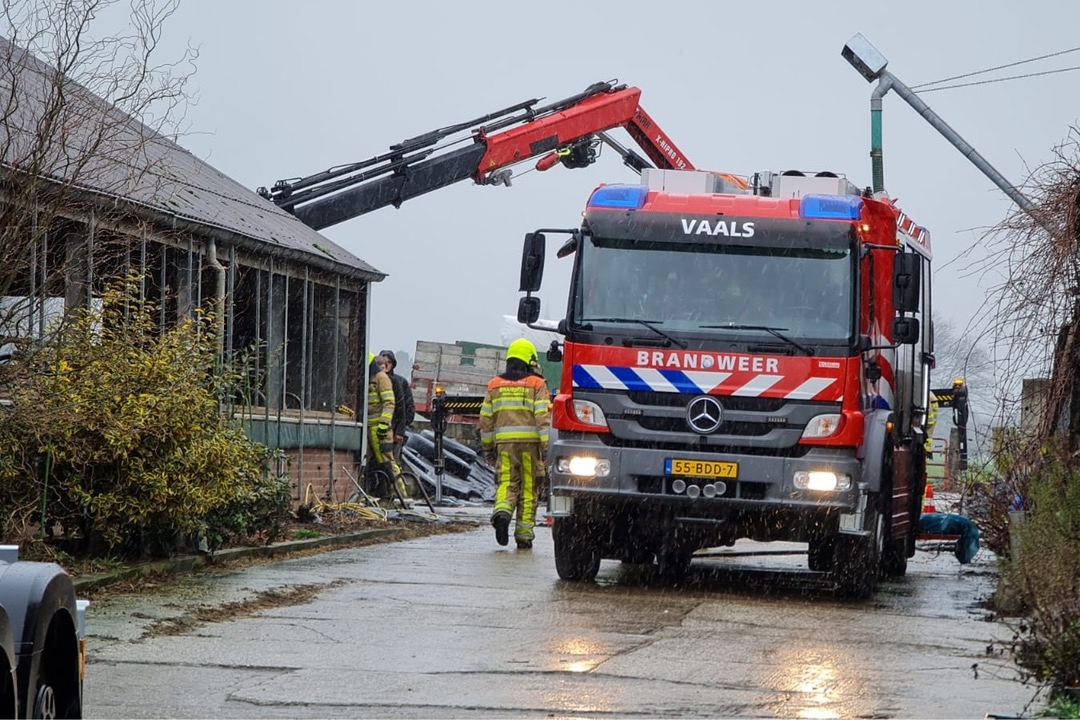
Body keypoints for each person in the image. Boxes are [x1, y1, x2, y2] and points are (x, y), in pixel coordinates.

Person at [479, 338, 551, 549]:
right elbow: (543, 418)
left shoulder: (494, 385)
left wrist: (488, 448)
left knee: (507, 483)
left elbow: (486, 421)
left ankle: (502, 512)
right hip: (530, 446)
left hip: (505, 445)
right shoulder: (537, 384)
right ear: (530, 360)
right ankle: (524, 535)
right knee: (529, 488)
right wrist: (548, 450)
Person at [367, 351, 408, 504]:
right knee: (367, 463)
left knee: (388, 462)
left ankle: (401, 495)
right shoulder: (368, 378)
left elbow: (389, 403)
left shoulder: (381, 379)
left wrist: (384, 425)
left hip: (380, 430)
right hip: (368, 429)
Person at [379, 350, 416, 464]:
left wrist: (400, 430)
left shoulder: (399, 382)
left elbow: (406, 408)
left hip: (394, 431)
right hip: (376, 430)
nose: (385, 365)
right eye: (383, 362)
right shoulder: (372, 380)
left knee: (392, 463)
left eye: (389, 362)